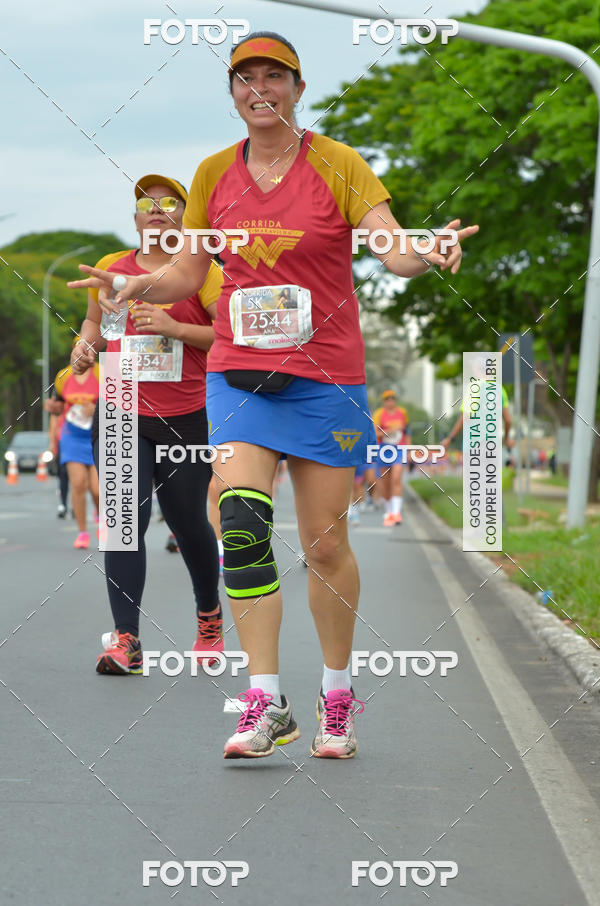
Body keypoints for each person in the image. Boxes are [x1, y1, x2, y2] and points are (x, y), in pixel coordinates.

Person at [70, 33, 478, 755]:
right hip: (238, 375)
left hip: (327, 379)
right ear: (232, 92)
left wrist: (430, 254)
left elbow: (392, 248)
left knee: (325, 545)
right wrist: (133, 285)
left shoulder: (339, 163)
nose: (259, 89)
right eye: (245, 78)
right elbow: (187, 276)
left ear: (297, 86)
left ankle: (338, 695)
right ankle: (264, 701)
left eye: (274, 77)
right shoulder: (212, 174)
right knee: (242, 522)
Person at [69, 174, 222, 674]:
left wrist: (176, 328)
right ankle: (126, 640)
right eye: (145, 203)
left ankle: (208, 616)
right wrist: (85, 346)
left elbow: (230, 338)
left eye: (169, 202)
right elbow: (96, 322)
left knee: (188, 524)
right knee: (122, 526)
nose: (156, 210)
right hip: (119, 413)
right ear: (135, 219)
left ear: (184, 216)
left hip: (187, 418)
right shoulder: (114, 268)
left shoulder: (204, 272)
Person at [52, 360, 100, 548]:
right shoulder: (64, 376)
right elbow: (58, 406)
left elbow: (118, 404)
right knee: (78, 483)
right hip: (71, 436)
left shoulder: (102, 373)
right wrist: (53, 408)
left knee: (97, 489)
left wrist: (97, 410)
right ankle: (82, 533)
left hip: (98, 434)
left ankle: (101, 516)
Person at [373, 390, 411, 526]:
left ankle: (396, 513)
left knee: (396, 479)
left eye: (392, 399)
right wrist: (388, 431)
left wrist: (408, 449)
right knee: (385, 483)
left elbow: (407, 431)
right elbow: (374, 432)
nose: (390, 401)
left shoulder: (402, 413)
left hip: (399, 448)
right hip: (384, 448)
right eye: (387, 399)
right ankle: (389, 511)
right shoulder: (379, 414)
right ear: (384, 401)